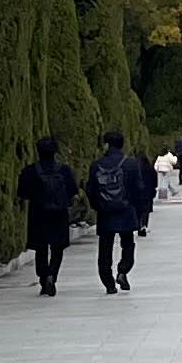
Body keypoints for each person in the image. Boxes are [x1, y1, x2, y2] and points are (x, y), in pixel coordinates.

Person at [88, 124, 158, 292]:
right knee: (127, 243)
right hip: (126, 210)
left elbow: (90, 189)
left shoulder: (96, 165)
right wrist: (139, 209)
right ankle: (123, 270)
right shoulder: (131, 164)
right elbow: (139, 189)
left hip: (105, 212)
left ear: (106, 145)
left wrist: (98, 206)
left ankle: (108, 282)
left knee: (105, 248)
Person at [16, 132, 81, 293]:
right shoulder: (64, 170)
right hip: (59, 213)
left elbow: (22, 193)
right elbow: (73, 191)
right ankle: (53, 273)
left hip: (38, 213)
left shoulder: (30, 171)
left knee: (41, 248)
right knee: (57, 248)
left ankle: (44, 277)